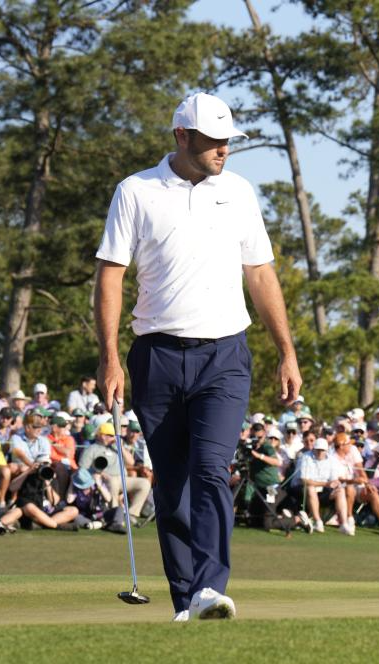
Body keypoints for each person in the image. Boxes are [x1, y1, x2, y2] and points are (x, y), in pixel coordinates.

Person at [94, 92, 302, 621]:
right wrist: (109, 356)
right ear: (182, 137)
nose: (222, 150)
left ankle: (211, 588)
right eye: (212, 141)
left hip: (224, 354)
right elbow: (111, 274)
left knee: (211, 469)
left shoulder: (239, 192)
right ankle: (186, 601)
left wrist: (287, 351)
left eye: (228, 141)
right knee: (173, 484)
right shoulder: (136, 191)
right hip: (156, 354)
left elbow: (261, 274)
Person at [78, 422, 151, 519]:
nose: (112, 438)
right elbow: (83, 469)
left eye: (113, 436)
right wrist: (98, 473)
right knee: (113, 482)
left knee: (144, 483)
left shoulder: (116, 447)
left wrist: (121, 447)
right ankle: (115, 514)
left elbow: (131, 462)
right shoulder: (92, 449)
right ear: (101, 435)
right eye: (109, 435)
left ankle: (132, 514)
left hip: (123, 478)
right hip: (105, 479)